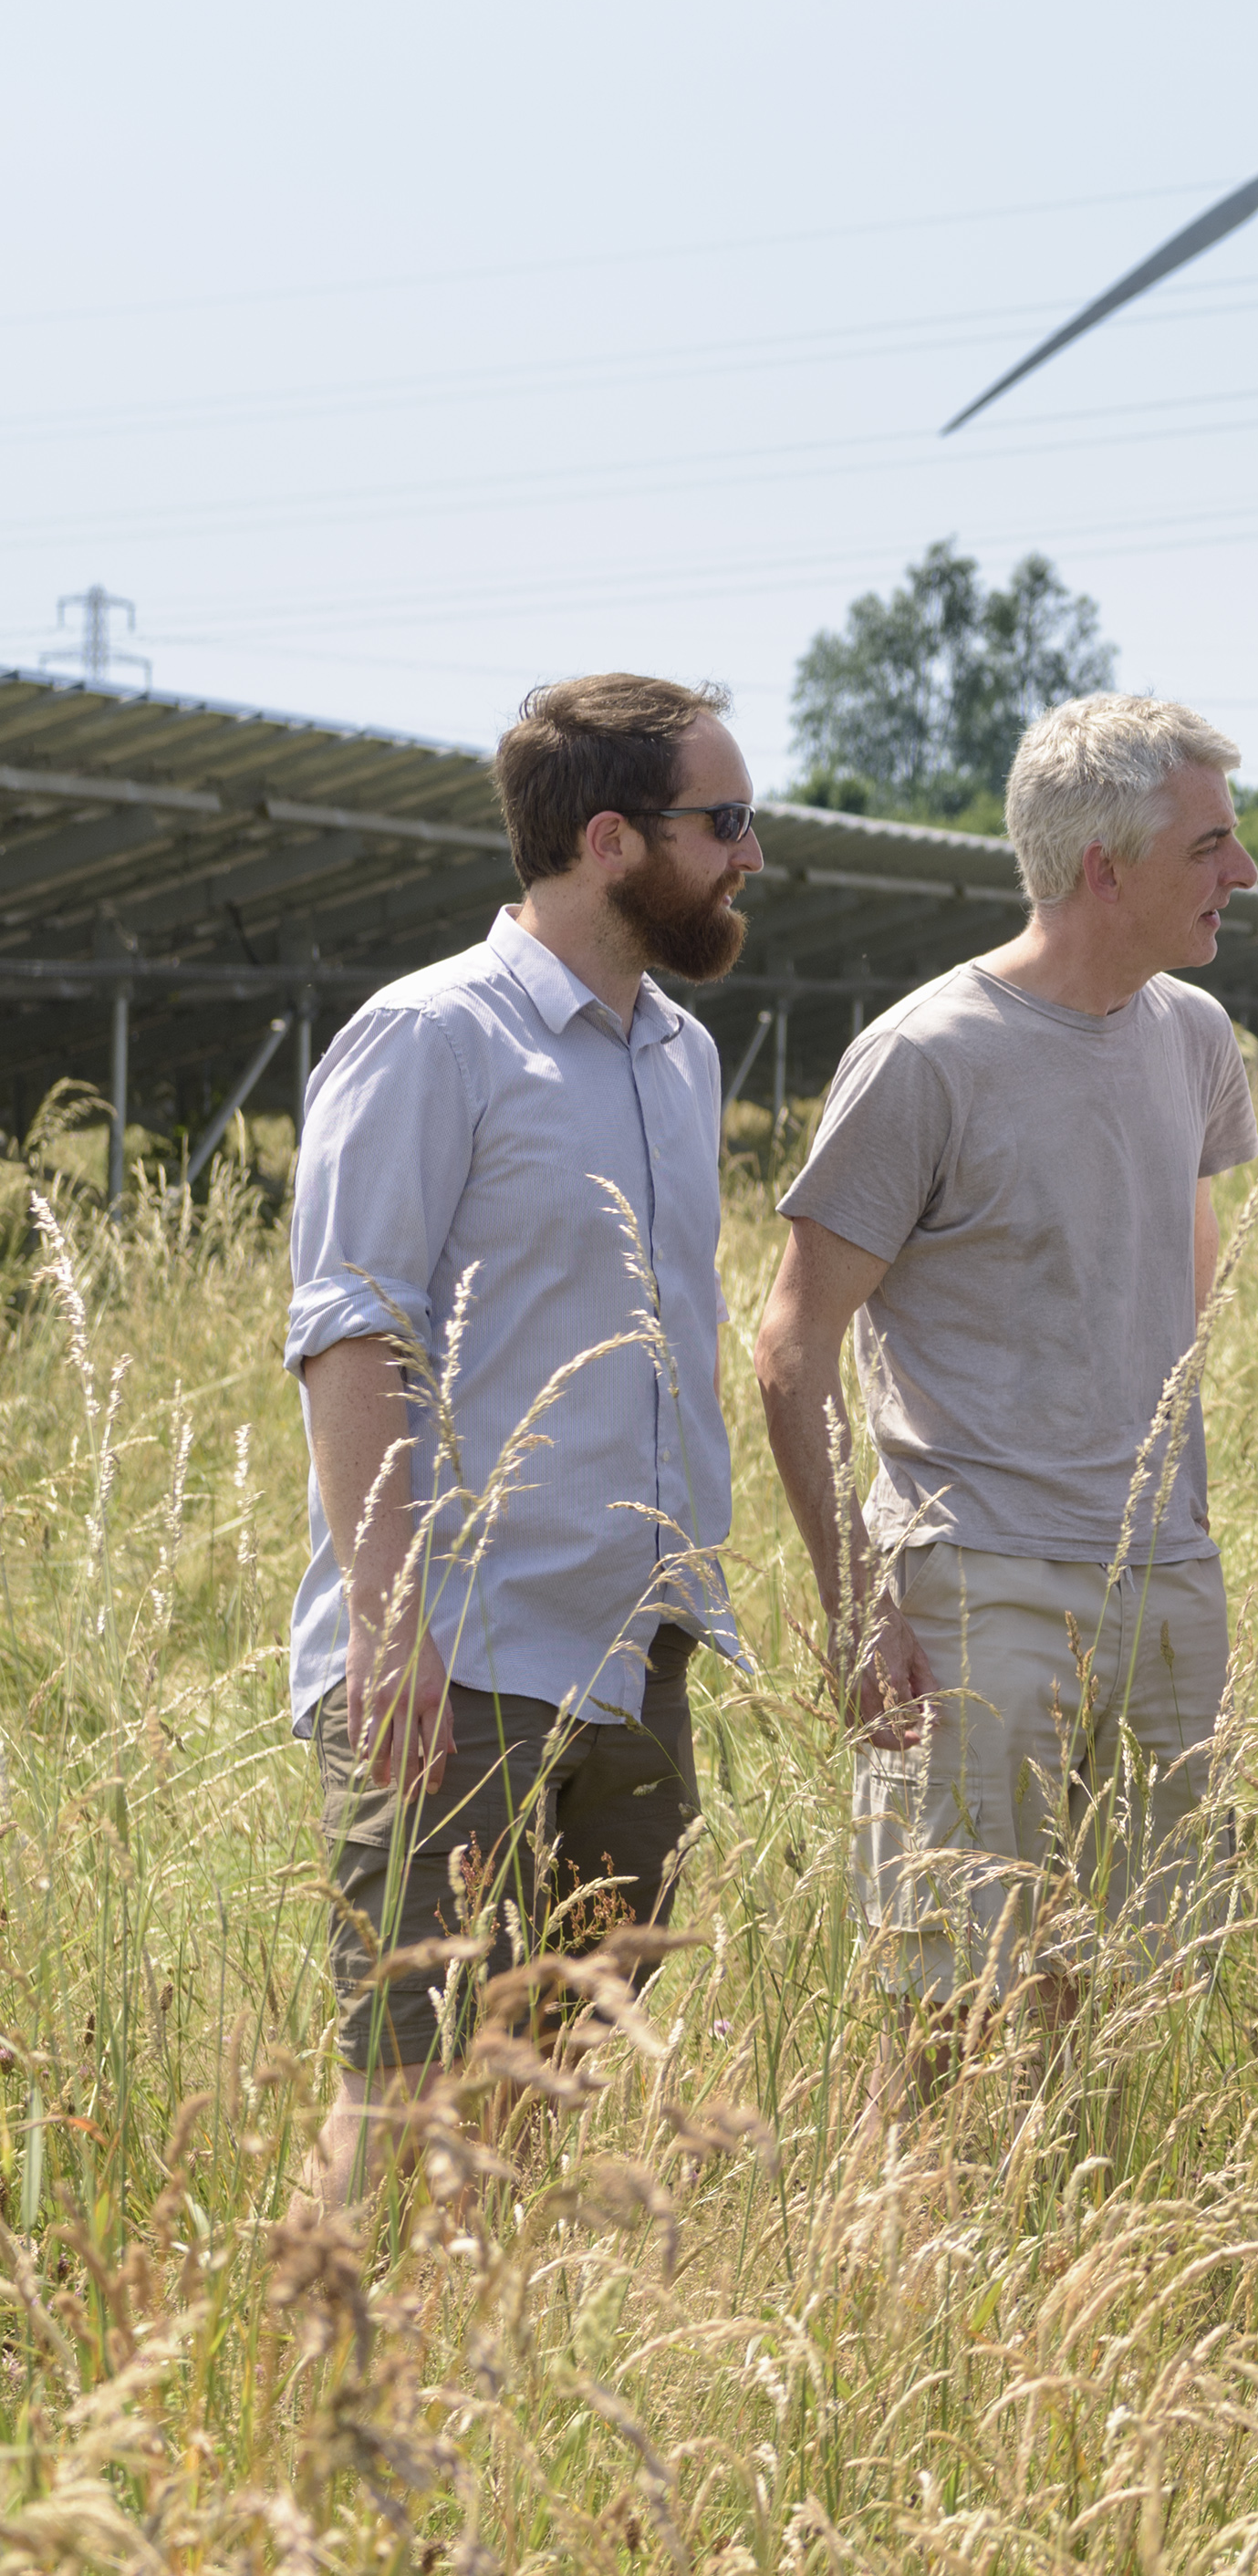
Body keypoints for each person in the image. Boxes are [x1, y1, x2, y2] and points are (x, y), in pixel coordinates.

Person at [281, 672, 765, 2227]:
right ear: (613, 838)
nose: (752, 853)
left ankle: (483, 2387)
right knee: (409, 2075)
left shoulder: (678, 1054)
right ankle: (334, 2377)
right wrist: (388, 1619)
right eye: (725, 820)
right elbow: (354, 1331)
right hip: (470, 1656)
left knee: (546, 2072)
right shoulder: (431, 1037)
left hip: (639, 1647)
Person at [752, 696, 1258, 2050]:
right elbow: (790, 1347)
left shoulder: (1195, 1035)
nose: (1244, 871)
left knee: (1157, 1992)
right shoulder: (928, 1056)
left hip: (1163, 1574)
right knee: (953, 2000)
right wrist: (863, 1605)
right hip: (976, 1583)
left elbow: (1183, 1256)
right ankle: (912, 2248)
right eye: (1211, 841)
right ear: (1108, 866)